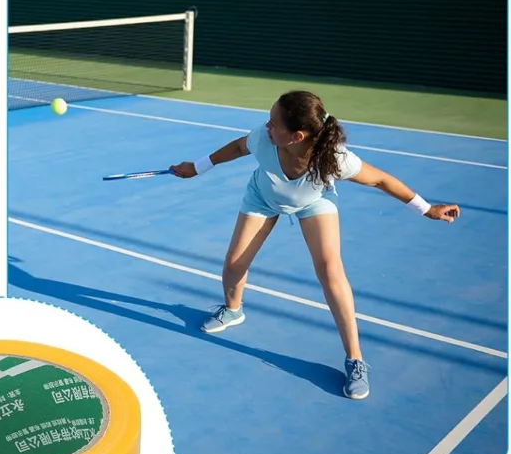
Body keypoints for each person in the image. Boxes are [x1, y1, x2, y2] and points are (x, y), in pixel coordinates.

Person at [170, 90, 460, 402]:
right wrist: (198, 166)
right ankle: (233, 310)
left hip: (313, 202)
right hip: (262, 197)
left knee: (331, 272)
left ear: (296, 136)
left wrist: (427, 208)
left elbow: (380, 180)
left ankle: (355, 359)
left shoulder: (335, 160)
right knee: (234, 264)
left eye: (273, 123)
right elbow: (239, 146)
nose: (266, 126)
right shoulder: (262, 139)